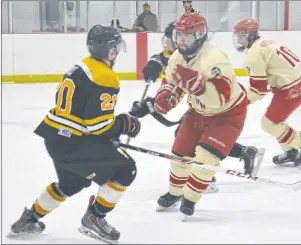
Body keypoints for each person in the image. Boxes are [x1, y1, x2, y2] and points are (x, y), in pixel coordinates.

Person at [8, 25, 141, 244]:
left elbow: (83, 116)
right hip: (73, 143)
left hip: (55, 138)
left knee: (72, 181)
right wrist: (124, 125)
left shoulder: (81, 66)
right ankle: (95, 218)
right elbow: (98, 125)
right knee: (127, 168)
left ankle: (29, 219)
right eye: (116, 47)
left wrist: (106, 133)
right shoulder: (105, 76)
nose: (117, 52)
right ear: (110, 50)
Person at [129, 20, 261, 194]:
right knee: (190, 137)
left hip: (218, 103)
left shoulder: (201, 55)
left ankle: (207, 178)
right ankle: (243, 152)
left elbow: (189, 87)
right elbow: (169, 86)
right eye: (174, 37)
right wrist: (151, 102)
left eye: (169, 39)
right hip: (200, 105)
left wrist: (149, 106)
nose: (167, 42)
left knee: (199, 142)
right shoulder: (175, 54)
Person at [150, 12, 249, 217]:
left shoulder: (215, 59)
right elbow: (171, 82)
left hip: (227, 114)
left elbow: (220, 99)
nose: (182, 41)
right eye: (179, 35)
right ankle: (175, 193)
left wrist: (199, 88)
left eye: (188, 36)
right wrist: (166, 96)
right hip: (197, 112)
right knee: (178, 154)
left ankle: (190, 198)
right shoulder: (177, 56)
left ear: (200, 36)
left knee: (205, 158)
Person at [233, 18, 301, 167]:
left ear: (251, 35)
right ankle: (291, 151)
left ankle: (297, 143)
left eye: (242, 35)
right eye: (237, 35)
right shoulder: (268, 42)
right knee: (276, 121)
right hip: (294, 82)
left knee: (269, 123)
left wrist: (241, 102)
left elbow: (259, 90)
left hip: (291, 88)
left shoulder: (253, 54)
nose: (238, 39)